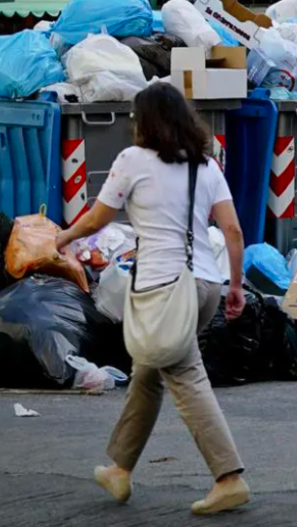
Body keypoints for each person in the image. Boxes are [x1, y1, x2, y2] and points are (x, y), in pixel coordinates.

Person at [55, 82, 251, 515]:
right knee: (147, 369)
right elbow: (233, 231)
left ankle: (229, 477)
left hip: (164, 287)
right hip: (206, 284)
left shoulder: (132, 160)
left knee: (184, 374)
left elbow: (97, 219)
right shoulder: (205, 165)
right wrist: (236, 285)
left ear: (144, 122)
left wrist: (63, 238)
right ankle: (120, 468)